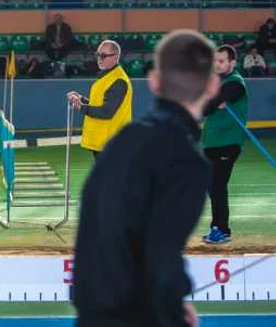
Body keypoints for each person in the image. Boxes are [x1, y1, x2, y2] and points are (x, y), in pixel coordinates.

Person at [73, 29, 219, 327]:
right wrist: (173, 310)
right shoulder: (188, 162)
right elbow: (160, 258)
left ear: (154, 82)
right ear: (213, 86)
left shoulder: (121, 143)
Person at [201, 44, 249, 245]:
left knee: (217, 184)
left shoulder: (235, 83)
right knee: (212, 186)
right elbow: (205, 108)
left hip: (227, 143)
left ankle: (222, 229)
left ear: (232, 62)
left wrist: (213, 101)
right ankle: (217, 227)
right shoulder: (217, 83)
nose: (217, 65)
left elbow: (213, 102)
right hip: (211, 143)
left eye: (221, 61)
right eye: (216, 61)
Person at [67, 40, 132, 160]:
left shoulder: (118, 81)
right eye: (98, 55)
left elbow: (106, 112)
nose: (99, 59)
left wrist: (81, 107)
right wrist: (82, 100)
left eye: (104, 55)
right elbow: (99, 104)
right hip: (104, 141)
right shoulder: (107, 77)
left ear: (116, 57)